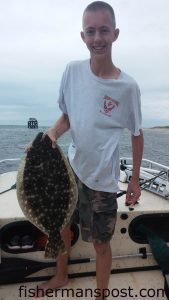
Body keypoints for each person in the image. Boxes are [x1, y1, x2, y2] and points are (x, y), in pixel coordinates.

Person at [36, 1, 144, 299]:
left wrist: (134, 179)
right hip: (72, 169)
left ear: (115, 34)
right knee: (61, 227)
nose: (98, 38)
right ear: (83, 36)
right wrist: (53, 132)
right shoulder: (71, 71)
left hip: (102, 180)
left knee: (100, 243)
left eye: (104, 30)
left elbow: (136, 134)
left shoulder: (127, 87)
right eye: (91, 31)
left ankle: (100, 295)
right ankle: (60, 276)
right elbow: (68, 117)